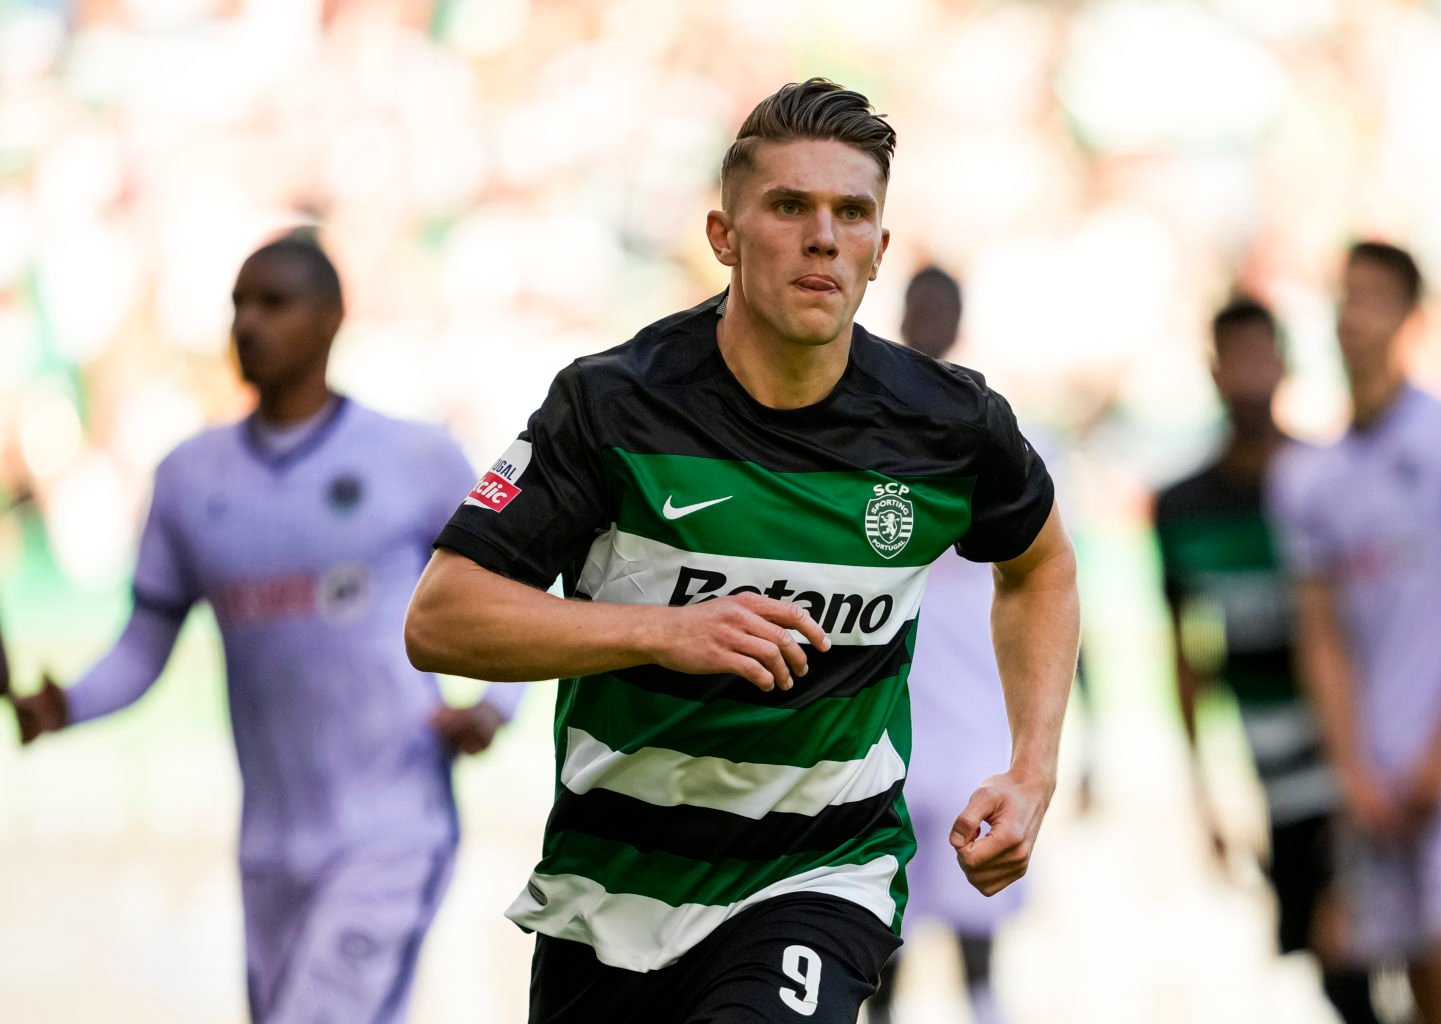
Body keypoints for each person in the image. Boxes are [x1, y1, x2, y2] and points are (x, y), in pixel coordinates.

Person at [404, 79, 1080, 1024]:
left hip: (819, 874)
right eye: (790, 207)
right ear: (724, 236)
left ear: (881, 249)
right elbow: (440, 617)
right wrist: (660, 633)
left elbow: (1040, 564)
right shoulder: (612, 406)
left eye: (853, 213)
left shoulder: (948, 425)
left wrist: (1033, 767)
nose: (824, 237)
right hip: (611, 891)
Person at [10, 236, 521, 1023]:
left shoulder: (413, 457)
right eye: (237, 306)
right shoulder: (187, 477)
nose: (247, 324)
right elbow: (147, 641)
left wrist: (493, 707)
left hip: (393, 826)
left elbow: (509, 591)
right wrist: (67, 705)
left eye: (273, 303)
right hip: (271, 846)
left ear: (330, 319)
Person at [1271, 242, 1441, 1024]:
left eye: (1374, 296)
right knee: (1415, 972)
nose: (1355, 315)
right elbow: (1319, 633)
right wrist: (1354, 765)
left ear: (1409, 316)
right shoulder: (1310, 476)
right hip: (1374, 768)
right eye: (1345, 296)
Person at [1154, 298, 1380, 1024]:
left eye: (1261, 358)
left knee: (1361, 955)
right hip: (1274, 771)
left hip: (1358, 762)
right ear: (1213, 372)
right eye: (1235, 361)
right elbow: (1185, 653)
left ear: (1284, 364)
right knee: (1332, 964)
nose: (1249, 378)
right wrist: (1205, 796)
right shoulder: (1183, 504)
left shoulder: (1330, 478)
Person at [863, 266, 1024, 1024]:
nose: (928, 321)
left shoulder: (1005, 438)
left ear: (959, 321)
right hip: (889, 719)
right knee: (881, 917)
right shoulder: (864, 434)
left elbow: (1050, 593)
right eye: (918, 306)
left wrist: (1059, 740)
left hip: (978, 723)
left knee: (977, 916)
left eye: (941, 309)